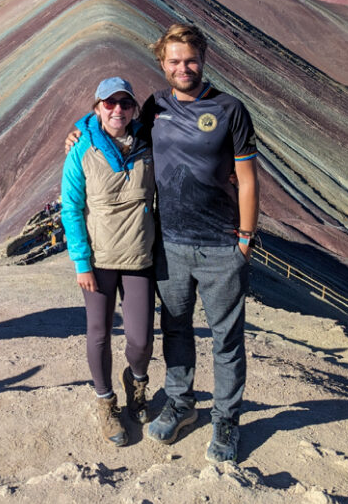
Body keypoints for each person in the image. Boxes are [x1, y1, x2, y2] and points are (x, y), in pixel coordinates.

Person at [66, 24, 259, 464]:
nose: (183, 68)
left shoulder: (230, 109)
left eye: (190, 59)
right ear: (162, 64)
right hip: (168, 248)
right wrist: (78, 130)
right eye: (174, 61)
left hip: (220, 245)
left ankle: (227, 420)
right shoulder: (155, 108)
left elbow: (248, 179)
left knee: (226, 340)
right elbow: (113, 128)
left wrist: (246, 240)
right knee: (175, 331)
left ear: (204, 58)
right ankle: (180, 402)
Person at [61, 76, 156, 447]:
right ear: (97, 107)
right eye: (109, 103)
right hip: (99, 260)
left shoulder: (149, 143)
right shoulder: (81, 149)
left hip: (139, 254)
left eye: (125, 103)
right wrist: (81, 262)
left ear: (134, 108)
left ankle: (136, 381)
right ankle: (105, 401)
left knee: (141, 340)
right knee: (99, 333)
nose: (118, 109)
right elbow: (71, 207)